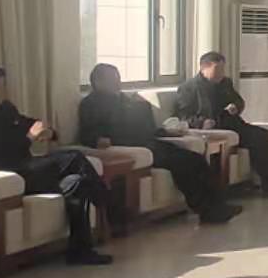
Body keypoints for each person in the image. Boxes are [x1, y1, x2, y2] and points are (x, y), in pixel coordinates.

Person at [0, 63, 114, 266]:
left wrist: (48, 131)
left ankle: (80, 251)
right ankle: (107, 202)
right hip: (6, 171)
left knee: (77, 182)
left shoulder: (4, 108)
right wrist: (29, 137)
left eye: (1, 86)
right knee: (74, 157)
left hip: (26, 166)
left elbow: (27, 122)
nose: (1, 91)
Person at [76, 63, 238, 225]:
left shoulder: (124, 99)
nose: (118, 82)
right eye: (113, 79)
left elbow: (145, 126)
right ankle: (207, 210)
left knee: (196, 159)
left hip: (148, 140)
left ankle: (218, 205)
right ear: (98, 82)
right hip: (129, 145)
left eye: (118, 78)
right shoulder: (90, 104)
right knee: (182, 163)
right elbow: (87, 133)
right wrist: (98, 140)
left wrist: (166, 132)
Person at [173, 51, 268, 198]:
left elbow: (239, 101)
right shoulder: (188, 88)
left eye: (223, 69)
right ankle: (219, 192)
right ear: (204, 68)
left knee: (263, 136)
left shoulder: (225, 83)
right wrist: (202, 122)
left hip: (232, 123)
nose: (221, 74)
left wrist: (236, 106)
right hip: (212, 127)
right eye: (217, 70)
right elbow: (183, 116)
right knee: (222, 144)